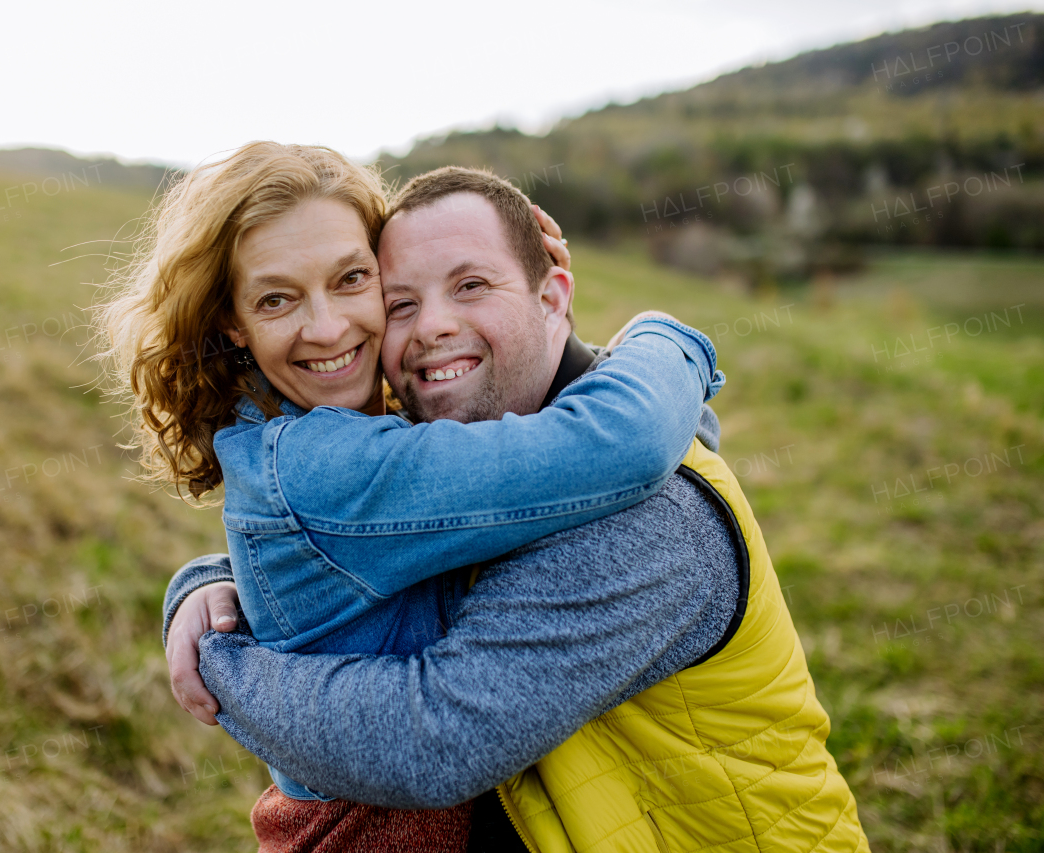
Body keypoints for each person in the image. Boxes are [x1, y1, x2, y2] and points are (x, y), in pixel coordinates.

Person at [169, 167, 872, 852]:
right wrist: (214, 581)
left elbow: (433, 741)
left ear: (553, 296)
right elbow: (337, 540)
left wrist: (221, 659)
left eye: (471, 285)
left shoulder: (643, 522)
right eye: (402, 302)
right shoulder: (462, 456)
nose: (432, 328)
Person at [98, 143, 723, 851]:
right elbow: (626, 442)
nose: (328, 327)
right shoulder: (326, 462)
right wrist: (667, 340)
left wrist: (211, 583)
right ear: (232, 324)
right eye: (276, 297)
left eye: (354, 279)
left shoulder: (307, 426)